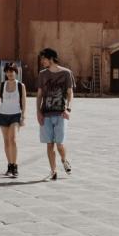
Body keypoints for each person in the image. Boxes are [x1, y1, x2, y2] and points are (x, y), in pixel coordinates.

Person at [36, 48, 75, 181]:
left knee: (59, 144)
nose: (42, 61)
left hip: (60, 114)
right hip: (46, 114)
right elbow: (39, 95)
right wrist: (38, 112)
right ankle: (53, 171)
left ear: (51, 58)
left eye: (43, 59)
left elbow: (70, 93)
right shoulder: (42, 74)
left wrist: (68, 109)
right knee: (49, 144)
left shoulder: (66, 73)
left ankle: (64, 160)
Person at [0, 63, 26, 177]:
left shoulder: (21, 86)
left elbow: (24, 101)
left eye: (12, 71)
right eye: (8, 71)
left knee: (13, 139)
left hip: (15, 115)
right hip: (3, 116)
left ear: (16, 72)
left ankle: (15, 166)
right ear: (5, 73)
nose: (10, 73)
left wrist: (23, 116)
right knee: (6, 141)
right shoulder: (1, 85)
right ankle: (9, 165)